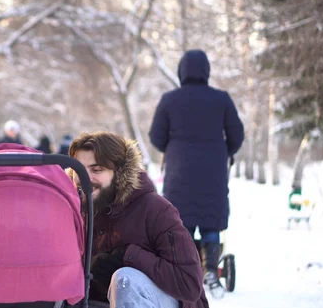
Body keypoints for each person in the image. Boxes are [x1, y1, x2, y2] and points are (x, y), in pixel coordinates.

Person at [68, 131, 208, 308]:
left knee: (126, 280)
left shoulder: (156, 210)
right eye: (78, 170)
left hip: (170, 300)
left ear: (118, 173)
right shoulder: (73, 211)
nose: (85, 179)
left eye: (96, 170)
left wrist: (128, 256)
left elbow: (189, 284)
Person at [148, 49, 244, 297]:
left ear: (181, 71)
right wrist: (223, 152)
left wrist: (173, 147)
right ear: (206, 71)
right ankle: (211, 269)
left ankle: (184, 272)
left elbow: (156, 136)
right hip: (213, 172)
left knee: (182, 223)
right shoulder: (221, 99)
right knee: (211, 221)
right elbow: (237, 135)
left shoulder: (170, 100)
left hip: (179, 171)